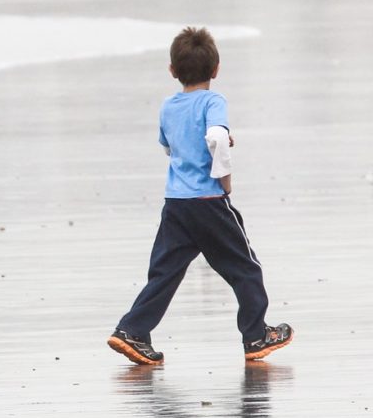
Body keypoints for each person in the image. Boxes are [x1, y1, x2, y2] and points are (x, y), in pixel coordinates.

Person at [107, 27, 292, 366]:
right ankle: (255, 335)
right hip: (208, 202)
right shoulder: (213, 101)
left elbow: (168, 146)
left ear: (172, 70)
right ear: (216, 69)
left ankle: (132, 330)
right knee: (244, 269)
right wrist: (225, 181)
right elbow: (218, 139)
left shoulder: (168, 106)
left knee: (165, 272)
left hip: (176, 203)